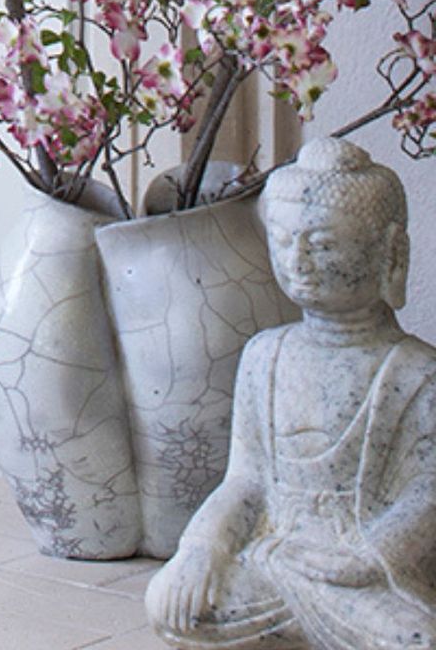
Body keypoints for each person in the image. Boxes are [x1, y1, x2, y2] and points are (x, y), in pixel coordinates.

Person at [146, 139, 436, 650]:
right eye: (282, 241)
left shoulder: (415, 371)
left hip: (363, 576)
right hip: (276, 562)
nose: (298, 260)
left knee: (414, 639)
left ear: (387, 250)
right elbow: (247, 480)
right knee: (172, 605)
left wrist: (365, 557)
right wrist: (201, 547)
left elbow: (427, 495)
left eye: (322, 244)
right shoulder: (265, 356)